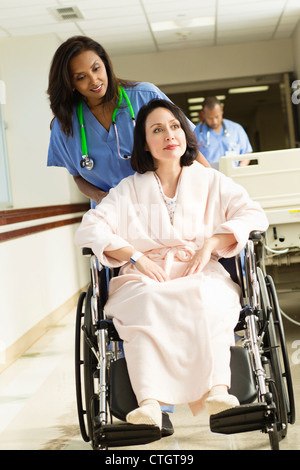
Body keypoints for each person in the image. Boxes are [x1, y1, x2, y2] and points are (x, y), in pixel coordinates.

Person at [75, 99, 269, 430]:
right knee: (147, 302)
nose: (169, 135)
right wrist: (134, 256)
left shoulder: (210, 181)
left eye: (175, 126)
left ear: (186, 134)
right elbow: (91, 227)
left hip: (199, 268)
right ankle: (149, 403)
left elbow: (253, 213)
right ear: (145, 143)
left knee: (206, 297)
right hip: (144, 274)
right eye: (157, 129)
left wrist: (211, 243)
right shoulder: (129, 189)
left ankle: (217, 390)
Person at [47, 36, 209, 209]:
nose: (94, 80)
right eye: (81, 77)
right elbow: (77, 176)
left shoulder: (145, 96)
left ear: (105, 65)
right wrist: (101, 197)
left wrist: (217, 189)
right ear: (70, 83)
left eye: (96, 68)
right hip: (113, 215)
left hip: (164, 207)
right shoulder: (65, 125)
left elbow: (189, 148)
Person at [194, 96, 252, 169]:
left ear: (221, 111)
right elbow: (192, 157)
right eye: (210, 118)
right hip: (210, 176)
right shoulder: (196, 133)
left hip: (233, 173)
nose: (214, 121)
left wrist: (240, 168)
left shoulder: (236, 129)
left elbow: (246, 152)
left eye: (217, 117)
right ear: (203, 114)